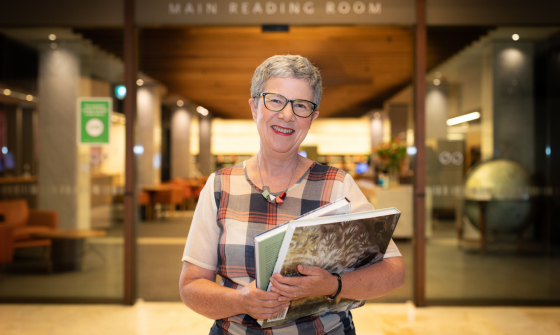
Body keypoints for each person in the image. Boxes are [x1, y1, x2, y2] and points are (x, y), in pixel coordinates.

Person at [179, 55, 405, 335]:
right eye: (275, 100)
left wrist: (333, 285)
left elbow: (394, 271)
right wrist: (240, 300)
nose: (287, 115)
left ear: (312, 117)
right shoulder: (219, 186)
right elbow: (190, 286)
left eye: (301, 106)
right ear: (254, 106)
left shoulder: (338, 186)